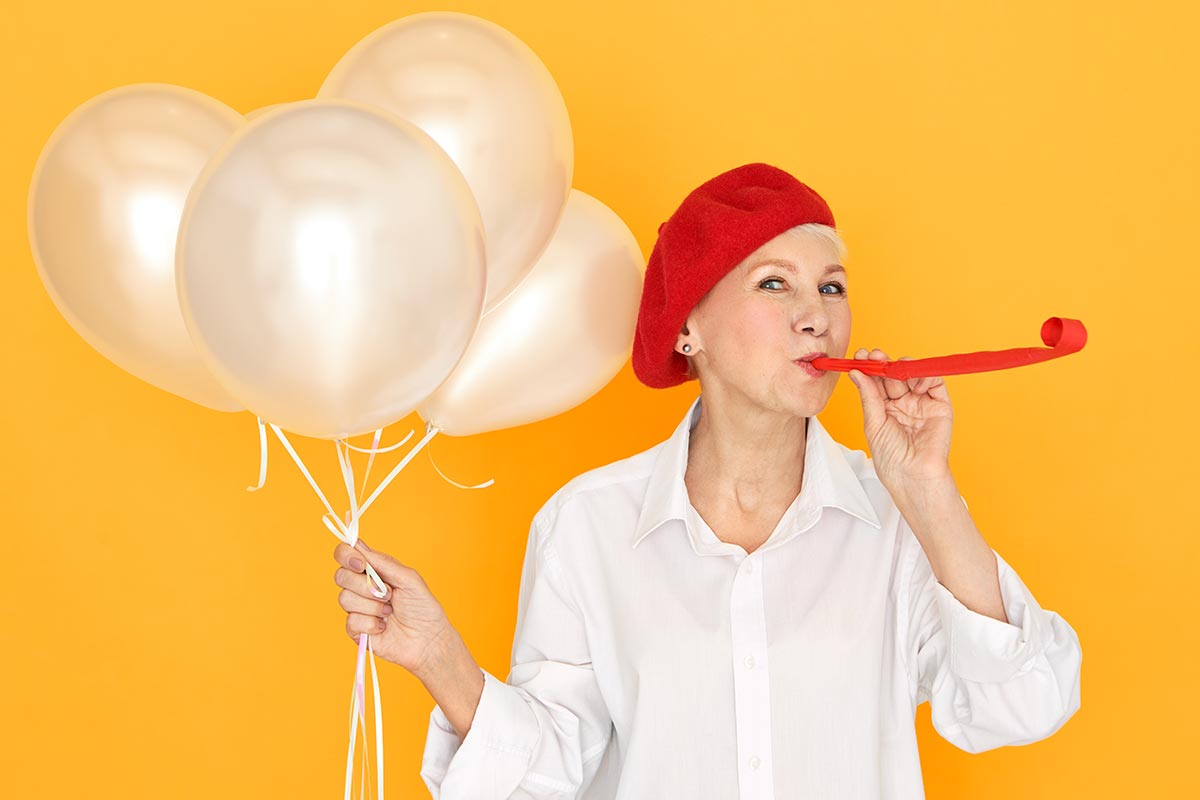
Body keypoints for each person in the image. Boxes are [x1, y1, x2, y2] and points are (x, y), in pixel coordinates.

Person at [331, 162, 1083, 799]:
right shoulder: (587, 526)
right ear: (688, 325)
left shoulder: (900, 522)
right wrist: (438, 657)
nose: (816, 318)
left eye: (831, 288)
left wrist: (926, 489)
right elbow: (549, 772)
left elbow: (1023, 706)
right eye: (774, 284)